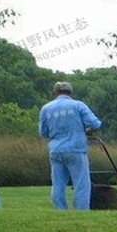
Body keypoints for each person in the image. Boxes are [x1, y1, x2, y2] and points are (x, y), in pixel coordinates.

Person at [38, 81, 102, 210]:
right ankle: (81, 211)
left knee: (58, 184)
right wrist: (86, 131)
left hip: (55, 150)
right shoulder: (78, 105)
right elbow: (95, 124)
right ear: (71, 92)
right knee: (81, 183)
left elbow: (43, 132)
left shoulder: (46, 108)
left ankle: (60, 210)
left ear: (55, 92)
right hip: (76, 149)